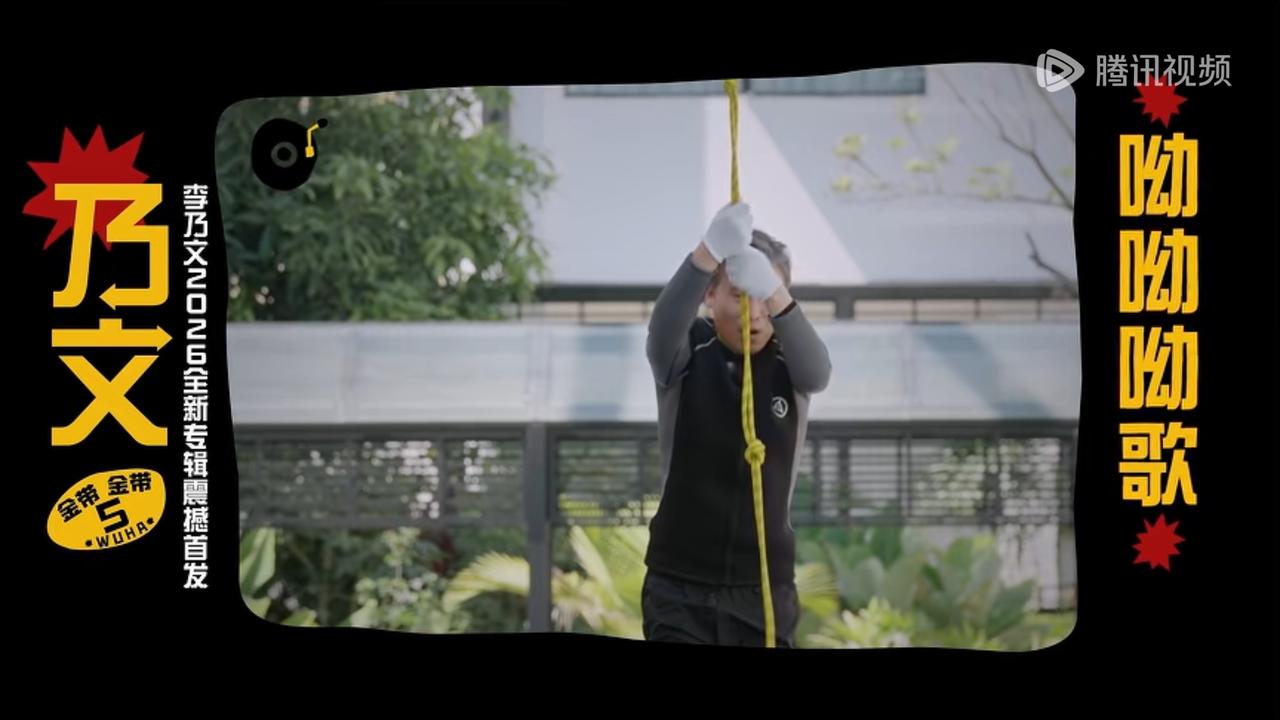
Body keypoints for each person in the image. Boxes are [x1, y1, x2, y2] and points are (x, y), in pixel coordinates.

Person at [641, 201, 833, 646]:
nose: (756, 311)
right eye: (740, 293)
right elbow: (661, 335)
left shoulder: (790, 361)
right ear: (710, 297)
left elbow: (819, 373)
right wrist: (707, 253)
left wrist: (773, 290)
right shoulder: (689, 350)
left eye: (766, 294)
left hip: (762, 588)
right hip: (678, 585)